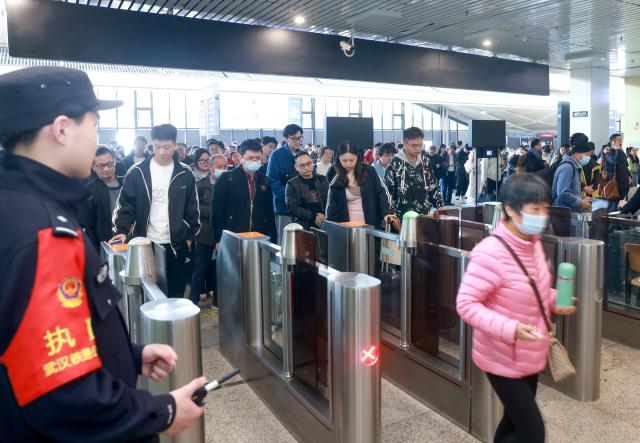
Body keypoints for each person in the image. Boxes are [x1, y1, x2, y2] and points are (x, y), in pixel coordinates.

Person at [0, 66, 204, 442]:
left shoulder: (22, 205)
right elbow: (64, 394)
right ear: (62, 129)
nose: (97, 139)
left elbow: (44, 342)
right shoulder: (43, 232)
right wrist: (163, 411)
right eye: (94, 124)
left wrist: (127, 354)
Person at [457, 173, 576, 443]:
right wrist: (510, 328)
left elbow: (526, 287)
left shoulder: (531, 244)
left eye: (545, 208)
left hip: (531, 350)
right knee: (533, 432)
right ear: (511, 209)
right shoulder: (490, 252)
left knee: (513, 423)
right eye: (535, 209)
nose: (542, 216)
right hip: (501, 355)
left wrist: (554, 298)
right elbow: (466, 304)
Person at [111, 124, 200, 299]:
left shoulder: (185, 173)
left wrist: (188, 238)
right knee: (149, 295)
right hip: (146, 244)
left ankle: (174, 327)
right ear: (152, 145)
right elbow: (126, 205)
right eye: (157, 147)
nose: (161, 152)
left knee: (176, 295)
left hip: (176, 245)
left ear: (175, 145)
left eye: (166, 147)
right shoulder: (137, 172)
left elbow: (192, 209)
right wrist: (122, 230)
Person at [213, 139, 276, 245]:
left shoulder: (265, 180)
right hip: (232, 235)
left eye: (258, 158)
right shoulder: (227, 178)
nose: (255, 161)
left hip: (259, 235)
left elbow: (269, 212)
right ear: (241, 158)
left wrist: (272, 238)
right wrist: (218, 239)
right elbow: (217, 211)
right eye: (250, 158)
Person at [327, 141, 398, 229]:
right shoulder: (335, 182)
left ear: (357, 157)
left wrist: (386, 213)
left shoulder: (369, 171)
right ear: (338, 159)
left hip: (371, 227)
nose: (348, 164)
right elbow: (331, 212)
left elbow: (382, 192)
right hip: (348, 230)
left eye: (351, 160)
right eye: (344, 160)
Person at [189, 154, 228, 308]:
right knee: (200, 269)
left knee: (221, 270)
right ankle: (192, 300)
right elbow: (193, 208)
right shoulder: (200, 185)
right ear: (210, 167)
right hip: (204, 233)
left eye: (225, 167)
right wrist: (214, 210)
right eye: (219, 167)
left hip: (223, 235)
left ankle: (218, 302)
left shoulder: (228, 184)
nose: (223, 170)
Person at [385, 127, 444, 217]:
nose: (418, 148)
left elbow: (433, 186)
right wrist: (389, 215)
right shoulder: (394, 164)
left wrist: (440, 206)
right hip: (401, 217)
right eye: (414, 145)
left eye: (420, 145)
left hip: (424, 215)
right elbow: (389, 193)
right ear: (404, 143)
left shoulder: (425, 162)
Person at [78, 146, 123, 251]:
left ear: (115, 161)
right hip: (104, 247)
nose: (106, 169)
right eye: (101, 166)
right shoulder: (89, 191)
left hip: (130, 243)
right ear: (93, 167)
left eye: (109, 164)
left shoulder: (127, 184)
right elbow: (86, 226)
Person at [267, 124, 303, 243]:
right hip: (284, 208)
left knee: (302, 245)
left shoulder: (303, 155)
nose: (298, 141)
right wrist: (291, 197)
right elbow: (273, 182)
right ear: (285, 138)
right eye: (294, 138)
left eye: (300, 138)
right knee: (285, 244)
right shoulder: (277, 155)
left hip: (302, 208)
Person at [285, 151, 329, 230]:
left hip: (324, 221)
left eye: (308, 163)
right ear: (296, 167)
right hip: (303, 225)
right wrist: (313, 216)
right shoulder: (292, 184)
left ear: (312, 163)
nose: (306, 167)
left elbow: (330, 201)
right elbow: (292, 208)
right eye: (302, 165)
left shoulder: (322, 179)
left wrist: (324, 215)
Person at [551, 133, 592, 212]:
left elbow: (572, 191)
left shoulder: (573, 166)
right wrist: (580, 202)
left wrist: (582, 198)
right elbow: (563, 193)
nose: (588, 157)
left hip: (569, 213)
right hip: (565, 214)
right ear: (577, 153)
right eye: (586, 154)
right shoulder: (568, 168)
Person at [604, 133, 632, 209]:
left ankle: (623, 218)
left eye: (621, 140)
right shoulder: (608, 153)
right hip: (615, 184)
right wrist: (617, 150)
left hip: (624, 183)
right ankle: (613, 220)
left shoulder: (621, 152)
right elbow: (615, 161)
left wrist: (629, 176)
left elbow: (625, 165)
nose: (621, 142)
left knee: (624, 203)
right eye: (619, 140)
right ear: (613, 142)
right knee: (614, 205)